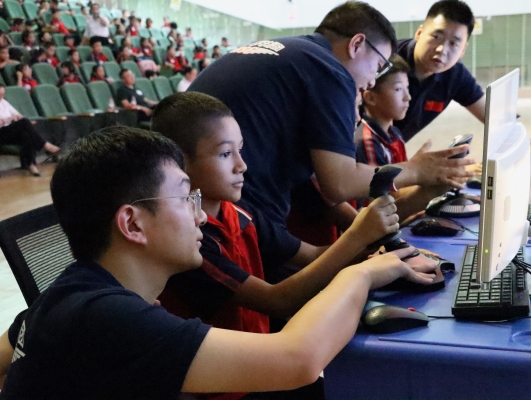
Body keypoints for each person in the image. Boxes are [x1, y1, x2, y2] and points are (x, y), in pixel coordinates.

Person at [0, 126, 431, 399]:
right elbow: (297, 360)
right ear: (132, 223)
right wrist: (364, 273)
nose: (201, 216)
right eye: (184, 198)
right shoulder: (101, 315)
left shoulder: (70, 296)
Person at [188, 1, 474, 279]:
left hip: (199, 203)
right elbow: (339, 184)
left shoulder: (296, 56)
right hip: (226, 219)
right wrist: (417, 170)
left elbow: (331, 202)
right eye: (378, 65)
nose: (372, 81)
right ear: (356, 44)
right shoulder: (329, 69)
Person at [394, 0, 485, 142]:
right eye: (436, 37)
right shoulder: (386, 60)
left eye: (453, 43)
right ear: (419, 33)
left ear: (463, 50)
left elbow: (494, 116)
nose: (442, 49)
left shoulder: (456, 75)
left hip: (392, 151)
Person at [0, 84, 60, 177]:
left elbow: (19, 115)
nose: (1, 97)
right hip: (1, 133)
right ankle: (45, 145)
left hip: (9, 130)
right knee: (24, 122)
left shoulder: (4, 102)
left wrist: (14, 117)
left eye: (3, 94)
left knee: (26, 135)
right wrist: (8, 119)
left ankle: (31, 165)